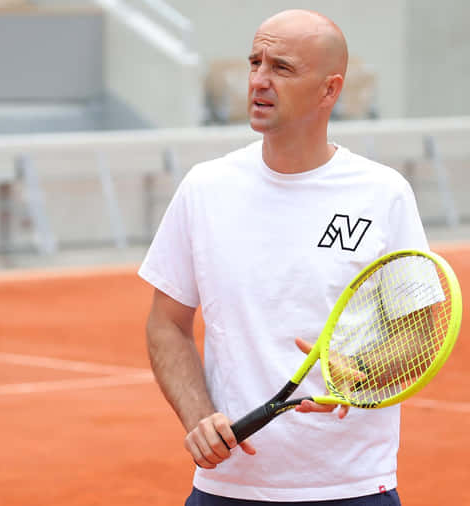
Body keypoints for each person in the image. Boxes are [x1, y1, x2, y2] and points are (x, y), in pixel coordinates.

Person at [139, 9, 429, 505]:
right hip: (227, 488)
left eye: (282, 68)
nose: (259, 80)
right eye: (255, 62)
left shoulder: (383, 194)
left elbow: (420, 332)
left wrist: (362, 374)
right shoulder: (205, 189)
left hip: (352, 486)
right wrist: (198, 417)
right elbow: (167, 323)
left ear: (329, 90)